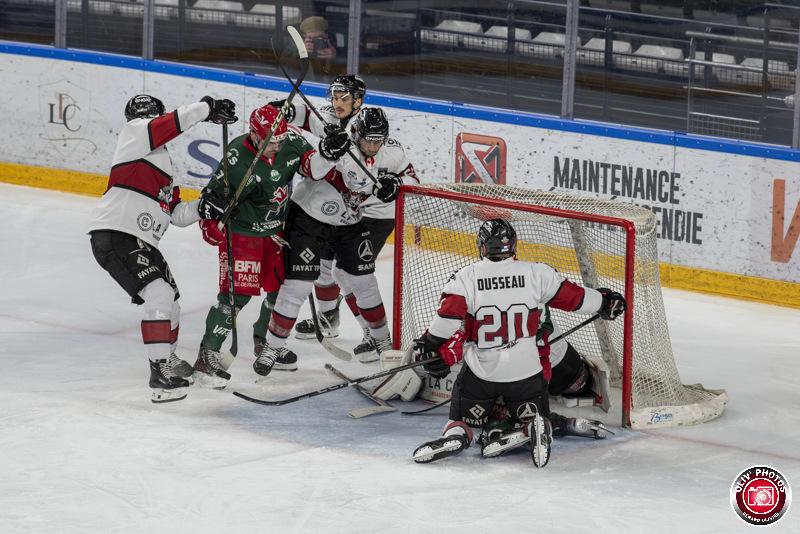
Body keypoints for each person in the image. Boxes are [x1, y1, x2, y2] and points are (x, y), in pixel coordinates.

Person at [410, 219, 626, 465]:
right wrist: (605, 301)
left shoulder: (465, 277)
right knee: (535, 414)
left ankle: (457, 434)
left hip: (482, 376)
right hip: (527, 375)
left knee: (461, 418)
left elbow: (447, 321)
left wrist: (429, 343)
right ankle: (534, 427)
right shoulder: (537, 273)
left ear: (482, 246)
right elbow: (576, 299)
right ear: (513, 245)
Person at [88, 94, 237, 403]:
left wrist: (204, 207)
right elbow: (172, 123)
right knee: (159, 295)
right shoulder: (135, 133)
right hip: (118, 233)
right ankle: (159, 372)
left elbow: (175, 214)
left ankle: (166, 358)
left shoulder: (158, 162)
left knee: (172, 303)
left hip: (141, 239)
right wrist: (208, 108)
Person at [193, 103, 351, 388]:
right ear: (254, 134)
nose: (277, 147)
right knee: (235, 298)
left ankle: (265, 341)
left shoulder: (289, 140)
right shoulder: (236, 158)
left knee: (279, 290)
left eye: (280, 140)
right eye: (271, 142)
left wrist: (327, 154)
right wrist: (210, 224)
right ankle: (208, 354)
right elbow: (211, 199)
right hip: (243, 235)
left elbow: (313, 169)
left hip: (276, 231)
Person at [253, 106, 411, 375]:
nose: (372, 147)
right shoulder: (340, 144)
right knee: (298, 285)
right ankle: (273, 347)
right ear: (357, 133)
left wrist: (396, 182)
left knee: (364, 282)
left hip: (349, 222)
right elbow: (312, 167)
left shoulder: (392, 152)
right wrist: (326, 152)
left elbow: (411, 176)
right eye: (368, 141)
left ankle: (383, 343)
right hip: (309, 219)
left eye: (378, 141)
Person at [299, 16, 338, 80]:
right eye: (311, 38)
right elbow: (288, 66)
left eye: (319, 38)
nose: (316, 42)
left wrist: (335, 57)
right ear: (304, 37)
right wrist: (302, 52)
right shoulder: (298, 48)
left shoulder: (333, 49)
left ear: (326, 35)